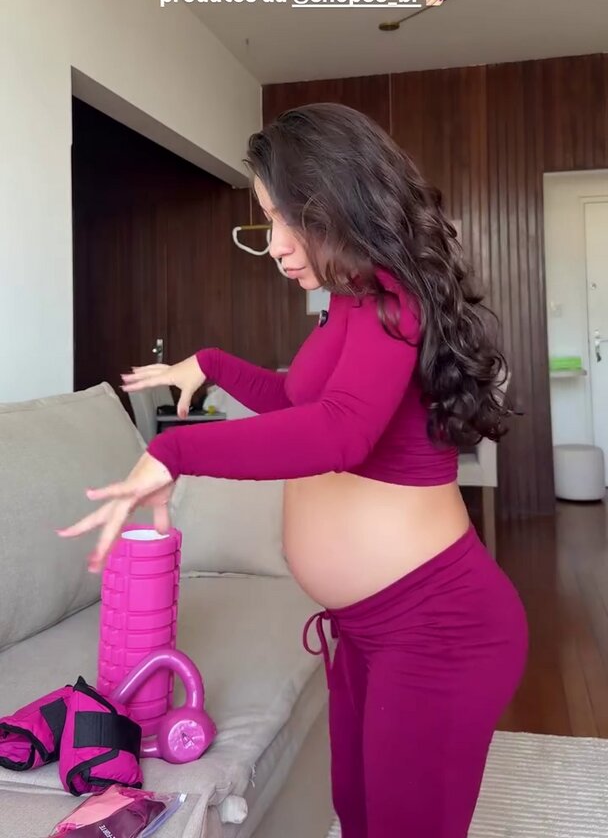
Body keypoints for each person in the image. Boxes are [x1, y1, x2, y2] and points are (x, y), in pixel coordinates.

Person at [60, 103, 528, 838]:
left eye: (287, 219)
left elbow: (341, 431)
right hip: (369, 628)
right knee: (359, 813)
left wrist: (175, 452)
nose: (275, 246)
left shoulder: (393, 300)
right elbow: (299, 402)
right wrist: (212, 365)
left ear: (340, 201)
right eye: (267, 221)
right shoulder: (350, 302)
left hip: (435, 625)